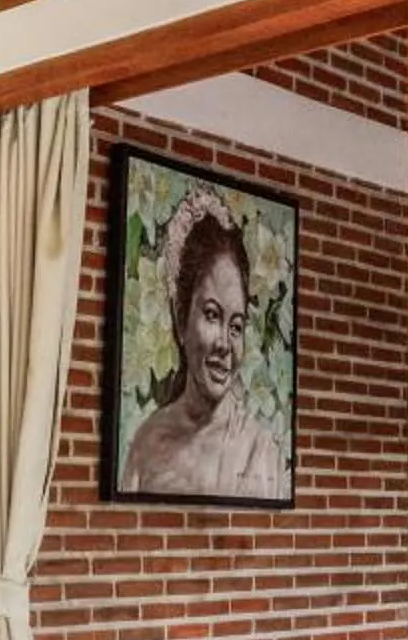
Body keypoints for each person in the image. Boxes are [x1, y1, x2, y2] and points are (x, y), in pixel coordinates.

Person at [120, 200, 289, 500]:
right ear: (180, 317)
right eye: (212, 315)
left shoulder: (260, 450)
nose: (225, 344)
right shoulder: (147, 446)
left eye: (236, 326)